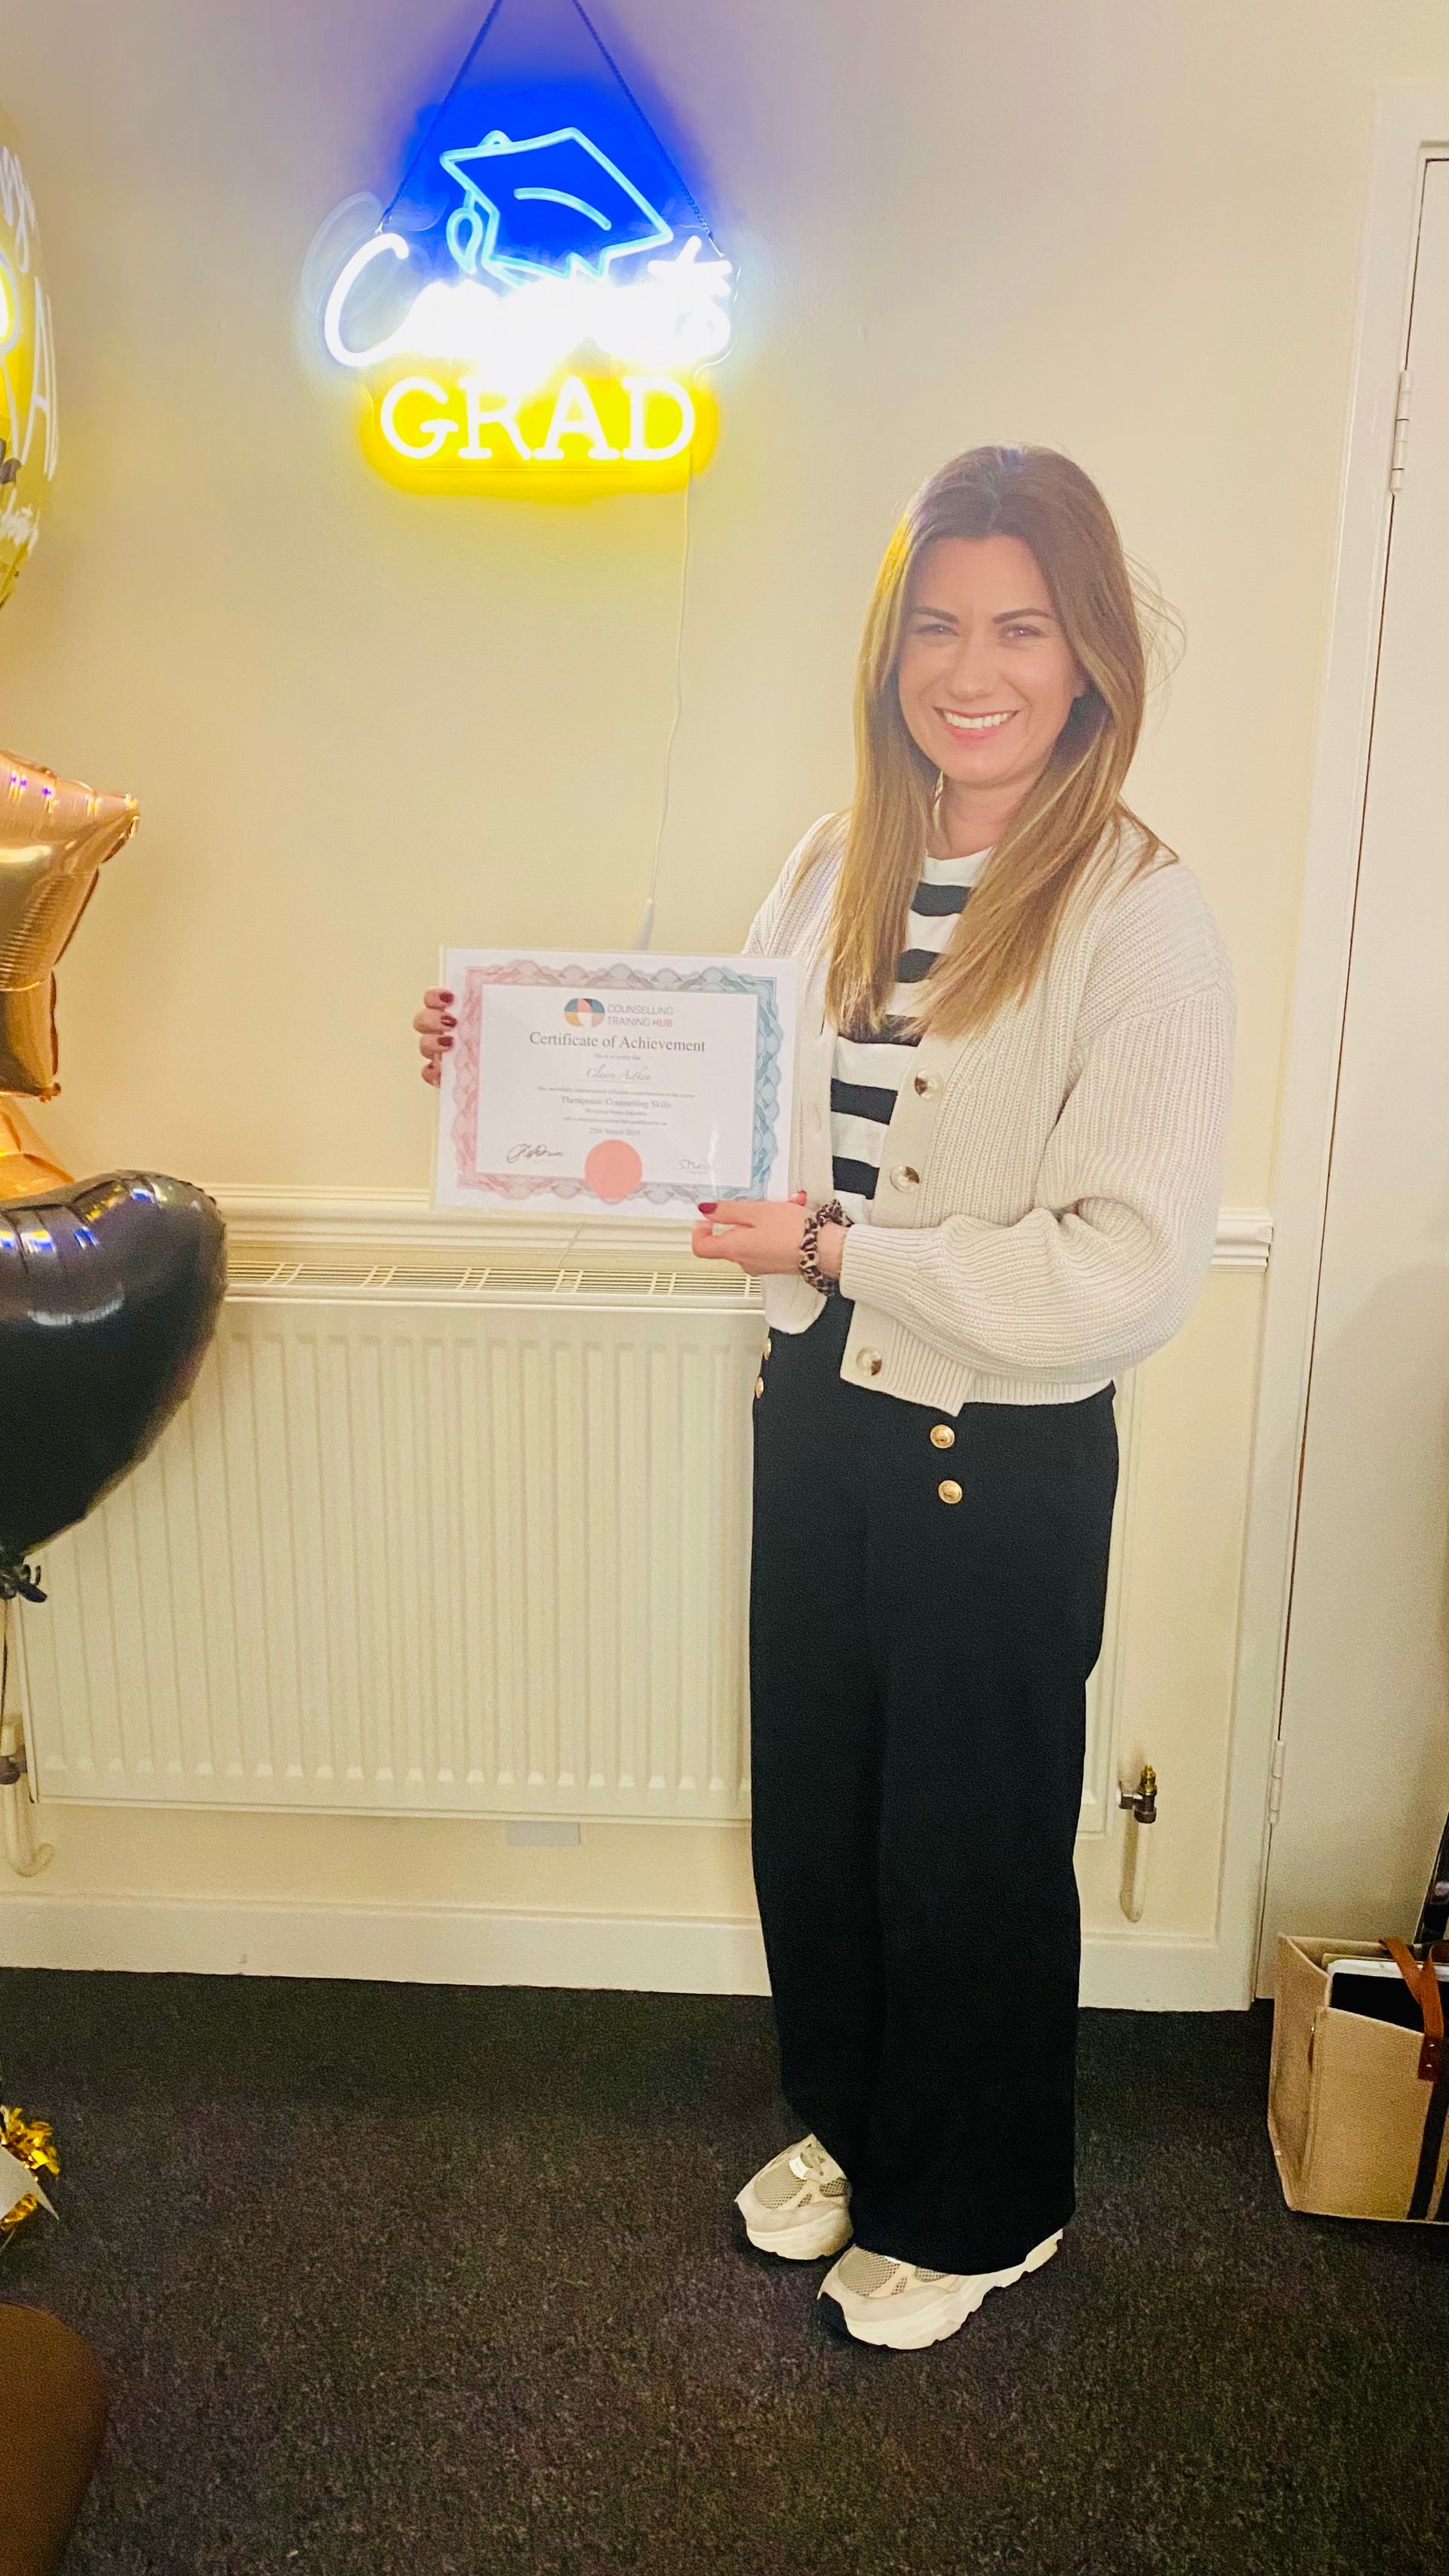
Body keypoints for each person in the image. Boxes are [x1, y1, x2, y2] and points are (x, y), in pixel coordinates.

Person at [414, 442, 1236, 2354]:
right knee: (829, 1824)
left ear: (1090, 651)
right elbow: (710, 1093)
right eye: (939, 623)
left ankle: (988, 2206)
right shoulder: (836, 859)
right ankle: (864, 2136)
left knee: (967, 1846)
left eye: (1023, 626)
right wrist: (502, 1057)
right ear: (891, 649)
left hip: (998, 1456)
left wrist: (856, 1253)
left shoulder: (1139, 914)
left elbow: (1128, 1261)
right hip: (825, 1423)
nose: (978, 665)